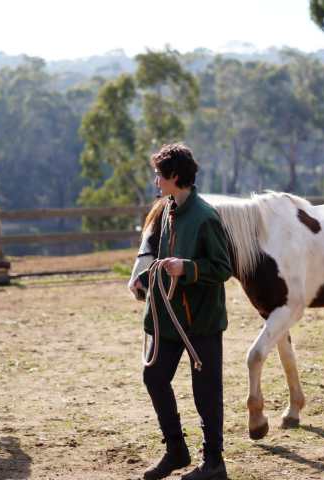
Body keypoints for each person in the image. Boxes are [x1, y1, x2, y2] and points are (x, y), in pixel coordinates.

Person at [133, 144, 232, 480]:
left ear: (175, 177)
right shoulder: (169, 209)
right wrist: (145, 278)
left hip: (200, 322)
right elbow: (162, 256)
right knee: (154, 376)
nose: (156, 181)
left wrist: (187, 268)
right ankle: (176, 450)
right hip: (169, 320)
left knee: (206, 391)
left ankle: (214, 463)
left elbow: (222, 268)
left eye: (160, 175)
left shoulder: (205, 217)